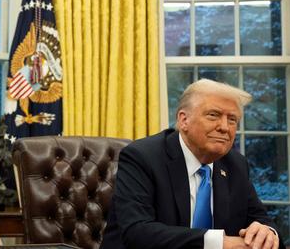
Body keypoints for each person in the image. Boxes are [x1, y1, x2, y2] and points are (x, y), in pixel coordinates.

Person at [101, 79, 281, 249]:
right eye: (213, 115)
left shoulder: (235, 165)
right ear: (183, 120)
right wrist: (219, 243)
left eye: (232, 119)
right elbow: (137, 232)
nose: (225, 127)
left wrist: (267, 232)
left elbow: (260, 219)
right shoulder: (142, 157)